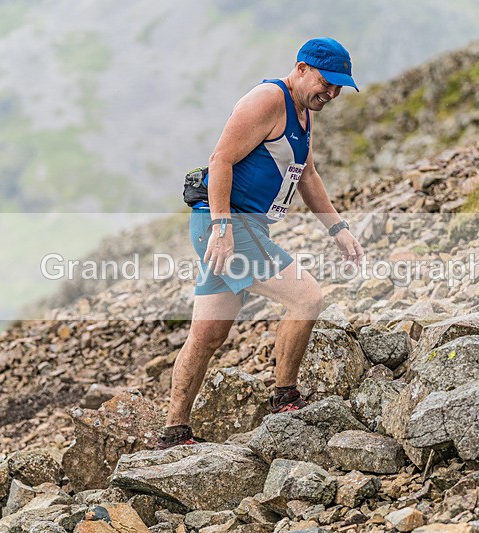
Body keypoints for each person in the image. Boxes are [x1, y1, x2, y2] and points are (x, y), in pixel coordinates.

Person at [159, 37, 365, 448]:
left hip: (240, 229)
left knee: (207, 335)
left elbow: (306, 176)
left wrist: (337, 228)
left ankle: (173, 431)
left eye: (340, 87)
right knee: (306, 297)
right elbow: (220, 160)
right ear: (302, 68)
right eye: (328, 82)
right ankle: (284, 398)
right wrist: (222, 229)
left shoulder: (305, 114)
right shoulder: (269, 99)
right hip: (230, 226)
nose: (333, 93)